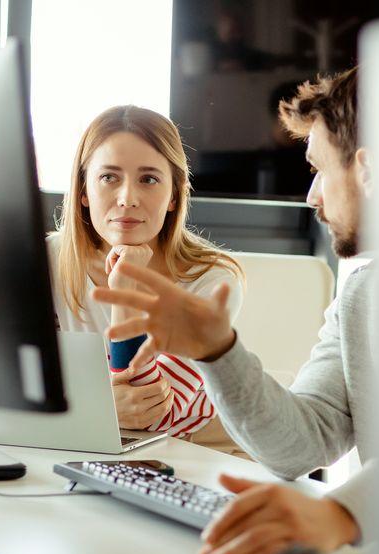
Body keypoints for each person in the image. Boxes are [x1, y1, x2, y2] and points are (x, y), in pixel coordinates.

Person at [91, 69, 375, 554]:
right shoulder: (362, 297)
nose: (312, 197)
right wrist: (217, 351)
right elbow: (300, 445)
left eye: (319, 169)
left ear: (368, 170)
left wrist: (341, 514)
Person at [49, 105, 247, 455]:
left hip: (201, 448)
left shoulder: (213, 280)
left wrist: (125, 287)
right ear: (83, 191)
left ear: (174, 195)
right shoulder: (46, 260)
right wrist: (98, 404)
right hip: (88, 442)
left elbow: (148, 416)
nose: (128, 199)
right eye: (109, 177)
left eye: (149, 179)